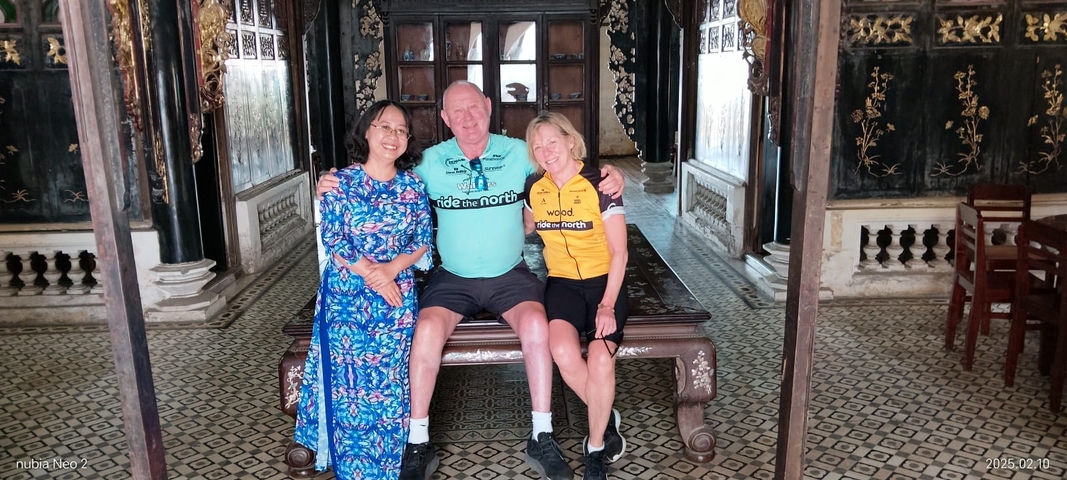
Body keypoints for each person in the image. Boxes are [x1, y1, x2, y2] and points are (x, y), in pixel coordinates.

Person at [316, 81, 625, 480]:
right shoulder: (428, 161)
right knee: (425, 330)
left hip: (509, 274)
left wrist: (614, 175)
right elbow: (382, 172)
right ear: (444, 118)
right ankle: (417, 441)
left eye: (474, 108)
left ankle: (542, 434)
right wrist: (332, 177)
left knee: (536, 326)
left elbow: (568, 163)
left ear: (489, 107)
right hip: (453, 276)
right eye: (456, 111)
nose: (467, 118)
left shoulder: (518, 153)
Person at [295, 100, 434, 480]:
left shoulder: (412, 187)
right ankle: (351, 471)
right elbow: (334, 236)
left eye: (401, 130)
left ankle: (388, 470)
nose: (392, 136)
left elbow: (422, 240)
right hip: (346, 300)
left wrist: (390, 270)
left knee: (390, 387)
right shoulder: (340, 183)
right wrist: (373, 274)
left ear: (408, 140)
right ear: (367, 132)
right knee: (349, 390)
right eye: (384, 127)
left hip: (395, 299)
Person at [522, 111, 628, 480]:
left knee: (600, 360)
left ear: (570, 140)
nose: (546, 151)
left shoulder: (601, 183)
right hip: (562, 283)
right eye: (538, 146)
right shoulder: (535, 188)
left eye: (552, 141)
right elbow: (525, 224)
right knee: (563, 352)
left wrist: (607, 305)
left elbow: (620, 253)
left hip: (604, 283)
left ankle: (595, 448)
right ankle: (605, 411)